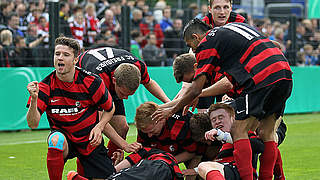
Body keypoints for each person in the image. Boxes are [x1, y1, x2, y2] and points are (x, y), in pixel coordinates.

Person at [152, 19, 293, 180]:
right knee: (266, 133)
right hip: (284, 72)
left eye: (190, 45)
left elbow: (196, 89)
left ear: (196, 37)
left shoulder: (207, 43)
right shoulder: (232, 31)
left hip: (261, 76)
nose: (192, 49)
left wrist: (172, 109)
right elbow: (274, 45)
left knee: (239, 129)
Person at [26, 36, 141, 180]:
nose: (60, 58)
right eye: (57, 54)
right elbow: (32, 123)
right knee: (56, 140)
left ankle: (74, 177)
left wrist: (100, 127)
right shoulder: (44, 86)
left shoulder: (92, 81)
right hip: (66, 140)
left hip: (90, 141)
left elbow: (110, 108)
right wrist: (34, 100)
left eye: (66, 55)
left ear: (75, 60)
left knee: (110, 178)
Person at [77, 47, 170, 158]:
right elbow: (100, 120)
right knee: (90, 134)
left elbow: (149, 82)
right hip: (82, 81)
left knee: (122, 129)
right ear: (114, 81)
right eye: (123, 93)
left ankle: (111, 168)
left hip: (108, 72)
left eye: (129, 94)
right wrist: (124, 145)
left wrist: (171, 104)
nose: (125, 98)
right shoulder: (97, 79)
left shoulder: (138, 66)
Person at [189, 103, 286, 180]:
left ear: (232, 118)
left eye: (221, 117)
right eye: (213, 120)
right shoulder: (218, 141)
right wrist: (194, 170)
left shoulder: (243, 133)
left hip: (238, 171)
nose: (217, 121)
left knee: (203, 165)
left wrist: (222, 135)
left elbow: (261, 146)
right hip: (225, 171)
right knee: (202, 168)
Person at [134, 101, 202, 172]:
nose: (149, 135)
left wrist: (166, 161)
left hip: (192, 150)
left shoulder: (180, 126)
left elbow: (191, 152)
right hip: (166, 151)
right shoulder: (145, 128)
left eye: (152, 131)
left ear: (161, 119)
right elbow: (143, 154)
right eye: (146, 132)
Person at [67, 147, 184, 180]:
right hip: (163, 171)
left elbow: (127, 164)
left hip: (159, 167)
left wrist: (117, 167)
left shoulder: (146, 151)